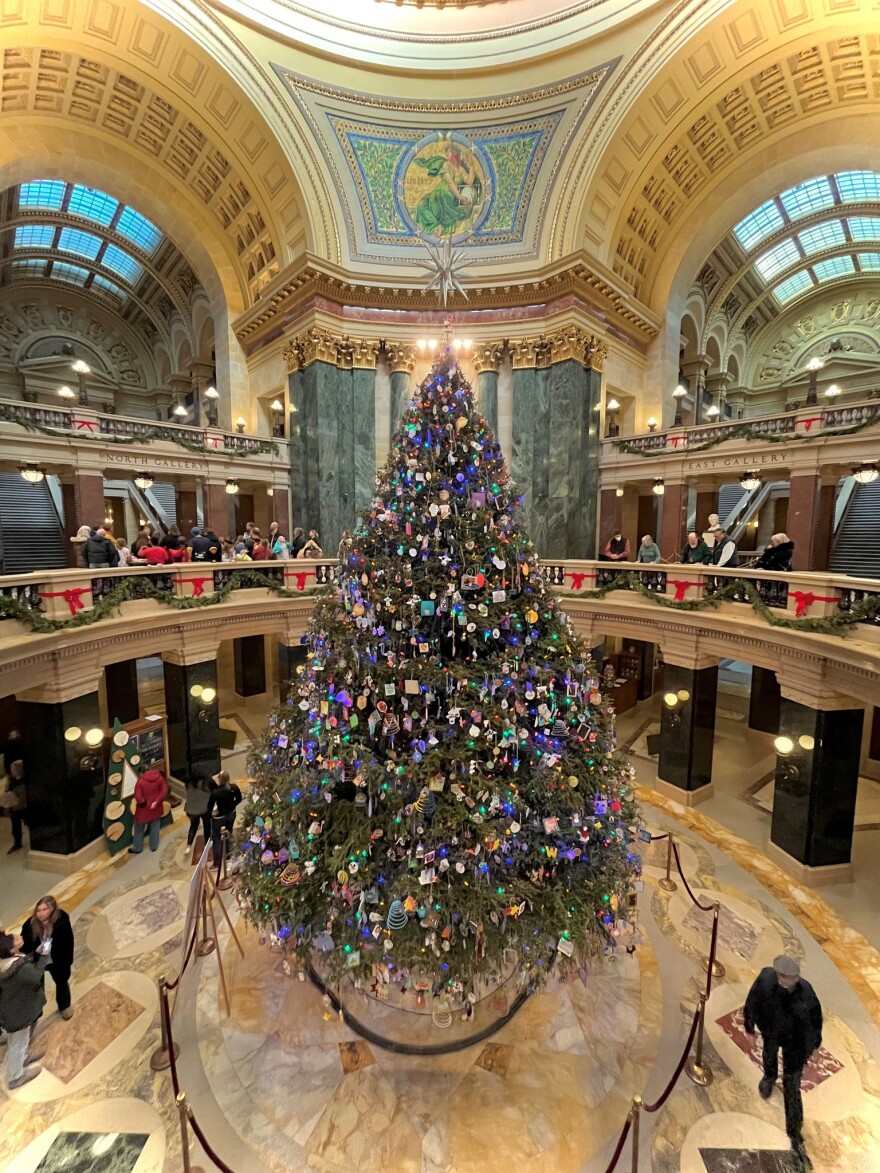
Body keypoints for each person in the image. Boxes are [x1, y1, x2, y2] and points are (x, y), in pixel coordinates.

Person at [744, 955, 822, 1169]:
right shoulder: (766, 979)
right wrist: (749, 1025)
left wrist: (815, 1046)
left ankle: (795, 1133)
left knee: (793, 1087)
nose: (786, 981)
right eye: (783, 976)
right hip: (771, 1031)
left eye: (791, 977)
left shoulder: (806, 992)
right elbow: (753, 1000)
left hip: (796, 1044)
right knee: (769, 1055)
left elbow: (816, 1020)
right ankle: (769, 1077)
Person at [0, 930, 52, 1089]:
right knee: (18, 1043)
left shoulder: (5, 964)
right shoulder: (17, 968)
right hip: (18, 1014)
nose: (16, 937)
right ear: (10, 950)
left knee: (18, 1041)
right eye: (13, 940)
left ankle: (23, 1057)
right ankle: (15, 1077)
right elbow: (35, 976)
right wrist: (43, 956)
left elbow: (24, 964)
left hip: (10, 1012)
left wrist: (34, 955)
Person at [21, 896, 74, 1020]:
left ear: (52, 909)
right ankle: (36, 1012)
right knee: (37, 986)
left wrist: (67, 962)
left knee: (61, 982)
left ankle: (64, 1005)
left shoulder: (62, 920)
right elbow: (25, 944)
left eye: (45, 909)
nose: (41, 913)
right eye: (38, 910)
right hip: (38, 960)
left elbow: (68, 942)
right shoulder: (30, 925)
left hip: (57, 960)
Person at [207, 770, 242, 871]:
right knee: (229, 833)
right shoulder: (234, 787)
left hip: (219, 817)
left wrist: (211, 815)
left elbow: (209, 806)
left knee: (217, 838)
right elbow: (239, 798)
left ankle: (217, 863)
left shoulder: (216, 792)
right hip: (231, 814)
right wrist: (232, 805)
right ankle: (228, 856)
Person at [129, 766, 169, 854]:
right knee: (155, 826)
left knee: (139, 829)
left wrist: (147, 804)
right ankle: (154, 846)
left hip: (143, 811)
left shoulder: (140, 782)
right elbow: (164, 791)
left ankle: (138, 848)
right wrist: (157, 802)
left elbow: (138, 797)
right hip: (156, 808)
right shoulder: (159, 778)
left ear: (141, 772)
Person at [184, 774, 215, 851]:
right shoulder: (204, 786)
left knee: (193, 826)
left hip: (190, 810)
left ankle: (189, 845)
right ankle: (207, 844)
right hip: (204, 810)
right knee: (207, 825)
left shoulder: (188, 786)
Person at [2, 759, 27, 854]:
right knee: (16, 825)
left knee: (20, 823)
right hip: (16, 806)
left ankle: (18, 843)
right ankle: (17, 843)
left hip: (20, 805)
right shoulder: (12, 781)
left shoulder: (20, 781)